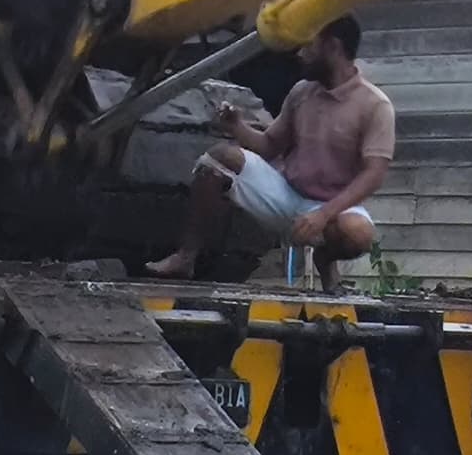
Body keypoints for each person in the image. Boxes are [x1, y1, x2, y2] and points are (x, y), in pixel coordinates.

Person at [151, 14, 395, 281]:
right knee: (218, 160)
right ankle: (186, 257)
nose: (300, 53)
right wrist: (236, 126)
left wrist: (323, 214)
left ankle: (326, 259)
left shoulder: (374, 105)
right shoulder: (301, 92)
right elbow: (269, 146)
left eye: (309, 45)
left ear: (333, 47)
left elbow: (374, 175)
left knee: (358, 234)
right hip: (286, 194)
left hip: (333, 208)